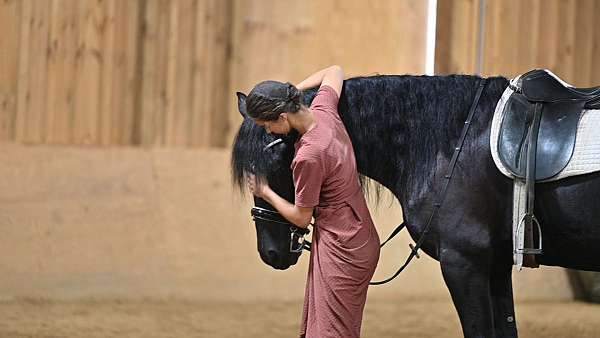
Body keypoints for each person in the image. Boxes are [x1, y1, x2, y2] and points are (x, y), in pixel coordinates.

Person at [245, 65, 380, 338]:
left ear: (283, 117)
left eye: (267, 125)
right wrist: (293, 91)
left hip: (341, 246)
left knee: (331, 333)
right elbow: (335, 71)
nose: (269, 132)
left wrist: (265, 191)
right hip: (358, 235)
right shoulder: (324, 111)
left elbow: (301, 217)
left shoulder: (308, 156)